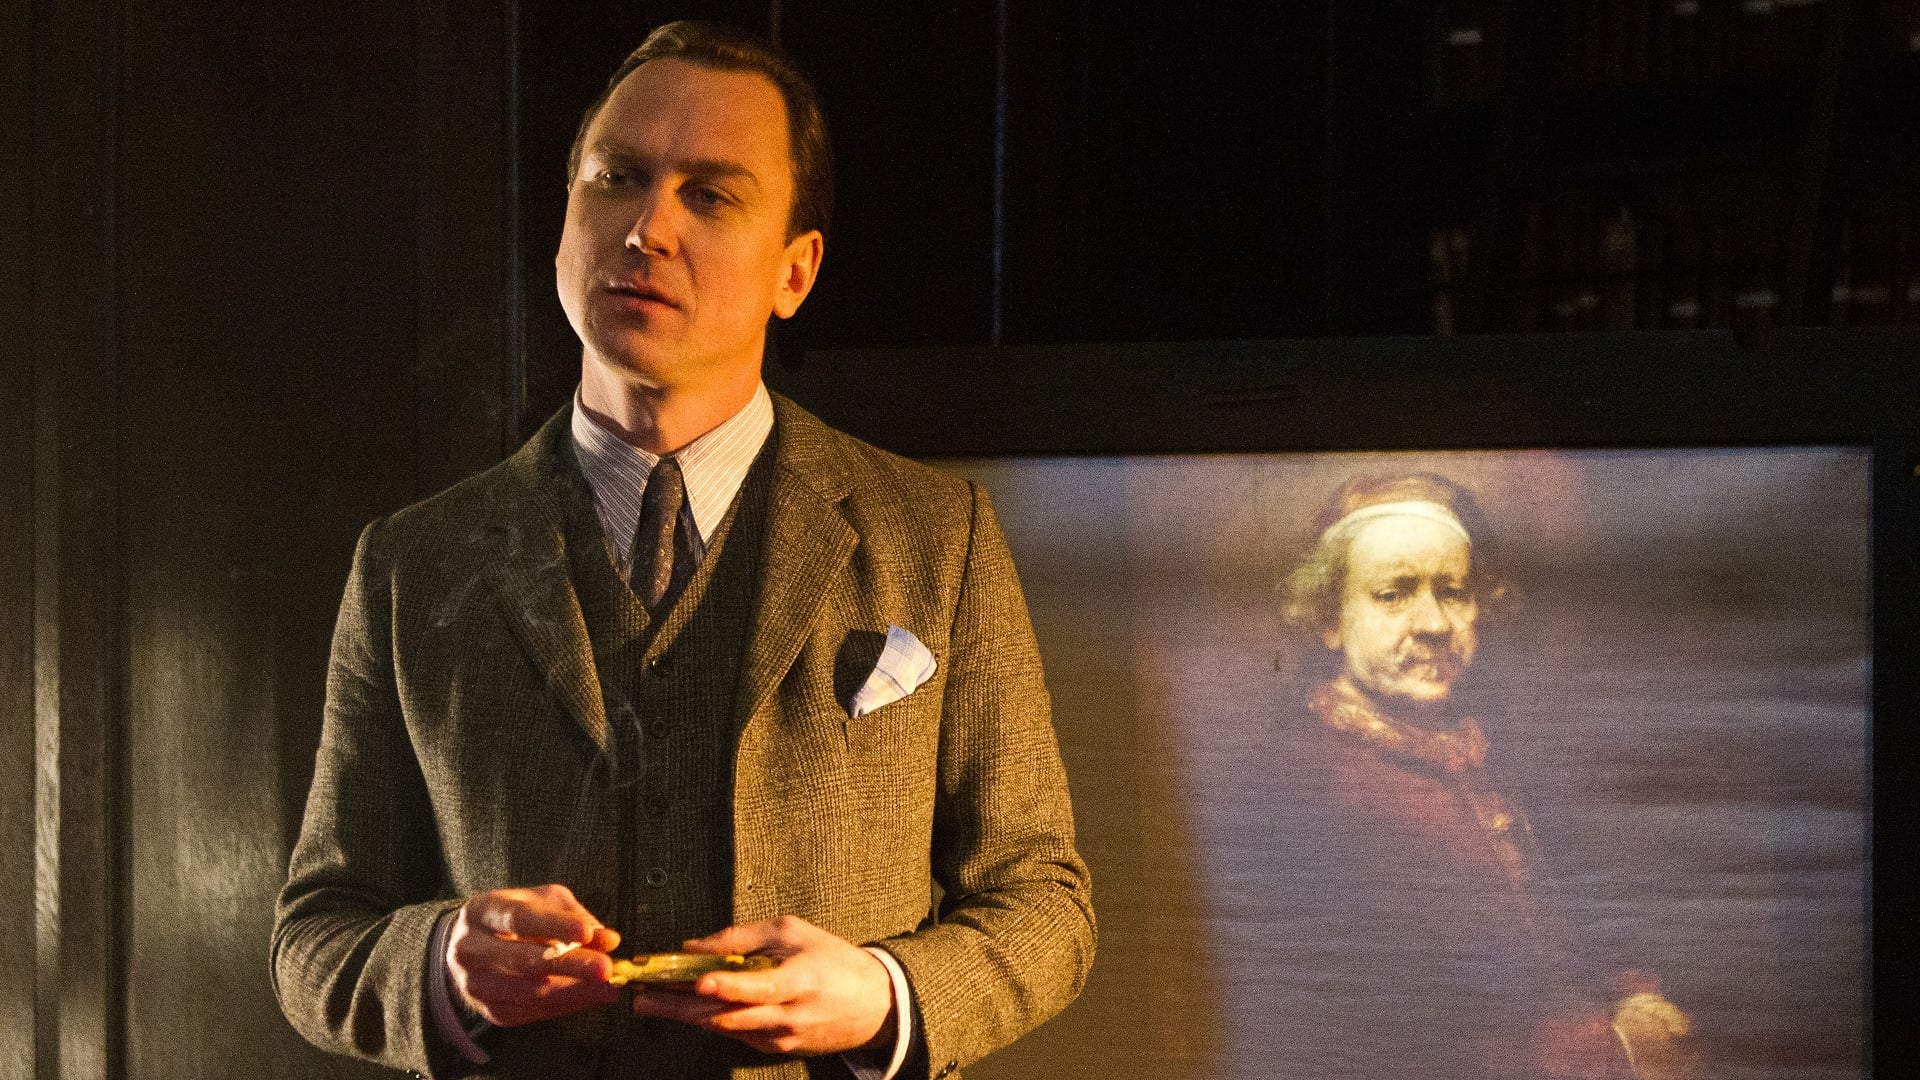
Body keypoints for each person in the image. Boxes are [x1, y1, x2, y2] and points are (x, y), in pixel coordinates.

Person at [271, 21, 1093, 1080]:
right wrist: (439, 964)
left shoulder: (938, 537)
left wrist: (881, 994)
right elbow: (316, 933)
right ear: (565, 221)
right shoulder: (411, 564)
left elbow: (1044, 901)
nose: (648, 227)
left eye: (709, 195)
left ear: (795, 271)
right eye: (615, 178)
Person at [1269, 472, 1691, 1080]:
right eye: (1393, 594)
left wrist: (1633, 994)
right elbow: (1392, 1031)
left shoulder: (1485, 752)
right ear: (1329, 619)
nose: (1434, 624)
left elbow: (1571, 922)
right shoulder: (1303, 783)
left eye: (1453, 593)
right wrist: (1616, 1047)